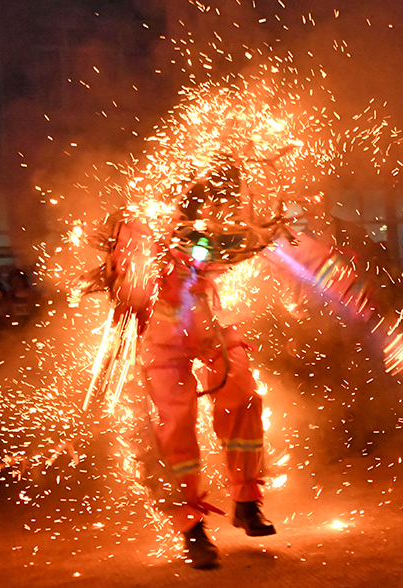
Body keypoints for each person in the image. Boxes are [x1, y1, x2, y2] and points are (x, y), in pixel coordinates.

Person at [105, 159, 276, 569]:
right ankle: (191, 527)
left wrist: (239, 243)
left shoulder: (227, 223)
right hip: (161, 338)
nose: (223, 206)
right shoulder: (145, 224)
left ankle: (246, 502)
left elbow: (228, 256)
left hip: (209, 324)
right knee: (175, 428)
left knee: (244, 393)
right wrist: (156, 264)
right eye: (218, 198)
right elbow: (128, 285)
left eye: (229, 200)